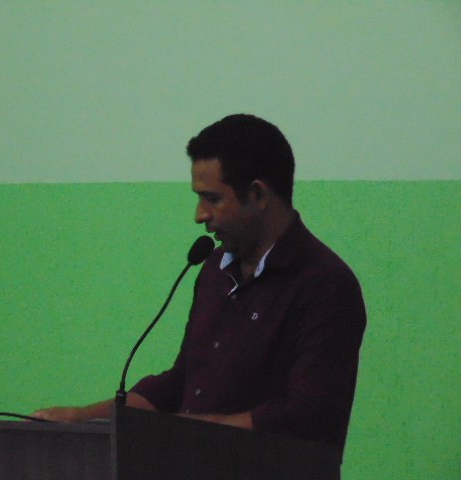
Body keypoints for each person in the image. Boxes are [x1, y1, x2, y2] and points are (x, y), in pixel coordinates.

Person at [33, 114, 366, 454]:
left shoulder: (325, 284)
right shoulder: (214, 270)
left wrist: (179, 431)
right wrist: (83, 417)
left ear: (257, 194)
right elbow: (183, 382)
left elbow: (307, 418)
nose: (200, 214)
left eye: (213, 199)